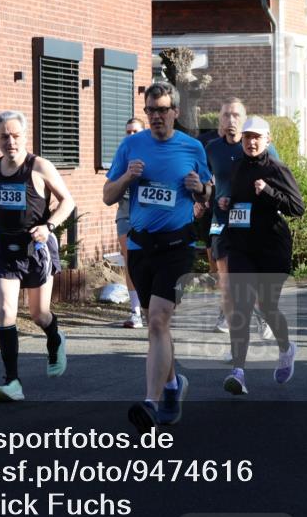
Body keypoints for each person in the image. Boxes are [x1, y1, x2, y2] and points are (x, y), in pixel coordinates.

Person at [103, 81, 212, 432]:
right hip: (140, 247)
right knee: (154, 324)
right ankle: (172, 386)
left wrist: (201, 190)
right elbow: (107, 195)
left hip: (177, 246)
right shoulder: (131, 145)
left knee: (159, 321)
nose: (156, 117)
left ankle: (150, 404)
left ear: (175, 112)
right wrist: (127, 178)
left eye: (162, 110)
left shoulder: (192, 147)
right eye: (150, 110)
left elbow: (208, 191)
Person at [0, 111, 75, 401]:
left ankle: (55, 338)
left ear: (24, 135)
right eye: (3, 136)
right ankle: (12, 382)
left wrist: (49, 226)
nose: (10, 141)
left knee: (38, 314)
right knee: (5, 311)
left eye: (15, 135)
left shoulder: (40, 167)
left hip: (36, 249)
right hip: (4, 248)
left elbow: (68, 201)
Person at [218, 116, 305, 394]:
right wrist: (225, 202)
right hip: (241, 247)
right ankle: (238, 372)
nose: (251, 142)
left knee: (267, 306)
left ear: (267, 140)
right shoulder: (237, 167)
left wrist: (268, 191)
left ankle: (286, 347)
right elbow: (238, 203)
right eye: (247, 137)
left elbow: (297, 208)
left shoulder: (277, 169)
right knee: (241, 306)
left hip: (272, 249)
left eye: (257, 137)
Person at [205, 97, 277, 341]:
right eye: (226, 115)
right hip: (221, 218)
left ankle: (262, 313)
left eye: (236, 115)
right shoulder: (213, 148)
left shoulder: (257, 145)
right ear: (220, 120)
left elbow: (278, 179)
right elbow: (206, 180)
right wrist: (205, 198)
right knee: (224, 273)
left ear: (245, 120)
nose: (230, 120)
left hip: (250, 220)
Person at [116, 118, 146, 328]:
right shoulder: (122, 153)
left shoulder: (154, 153)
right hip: (125, 211)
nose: (131, 135)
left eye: (135, 131)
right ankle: (135, 311)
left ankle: (153, 304)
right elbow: (111, 184)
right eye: (128, 131)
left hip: (150, 214)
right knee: (130, 260)